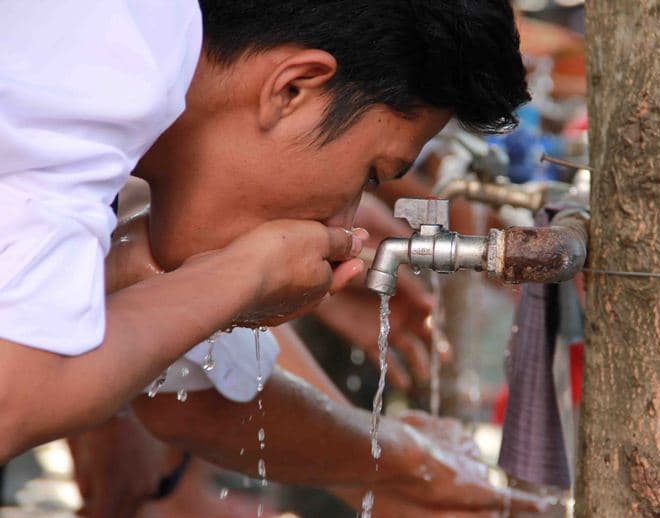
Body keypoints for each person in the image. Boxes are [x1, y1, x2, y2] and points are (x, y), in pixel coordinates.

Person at [0, 0, 529, 467]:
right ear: (293, 88)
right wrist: (242, 275)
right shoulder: (114, 61)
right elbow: (14, 398)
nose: (344, 222)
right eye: (370, 174)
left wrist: (146, 264)